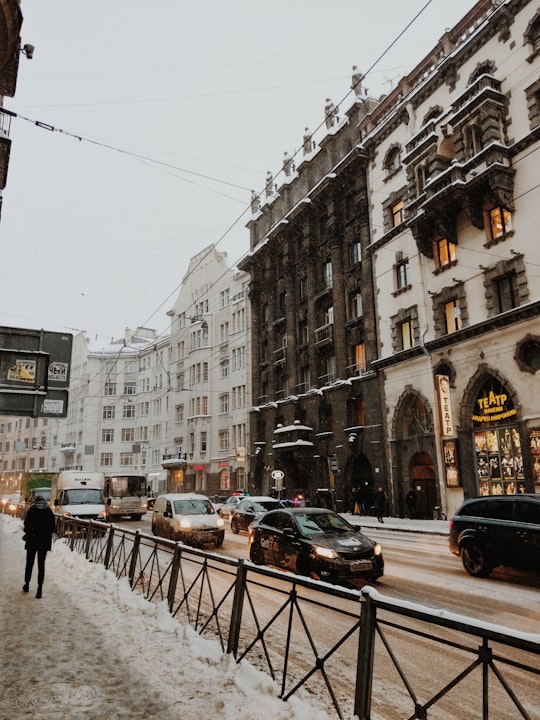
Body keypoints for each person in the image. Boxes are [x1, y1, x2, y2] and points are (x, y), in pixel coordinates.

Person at [23, 495, 56, 598]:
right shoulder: (49, 512)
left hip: (32, 541)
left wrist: (31, 532)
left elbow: (26, 525)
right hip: (44, 542)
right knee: (41, 565)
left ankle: (27, 584)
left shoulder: (32, 511)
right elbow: (53, 527)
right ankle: (39, 589)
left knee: (30, 563)